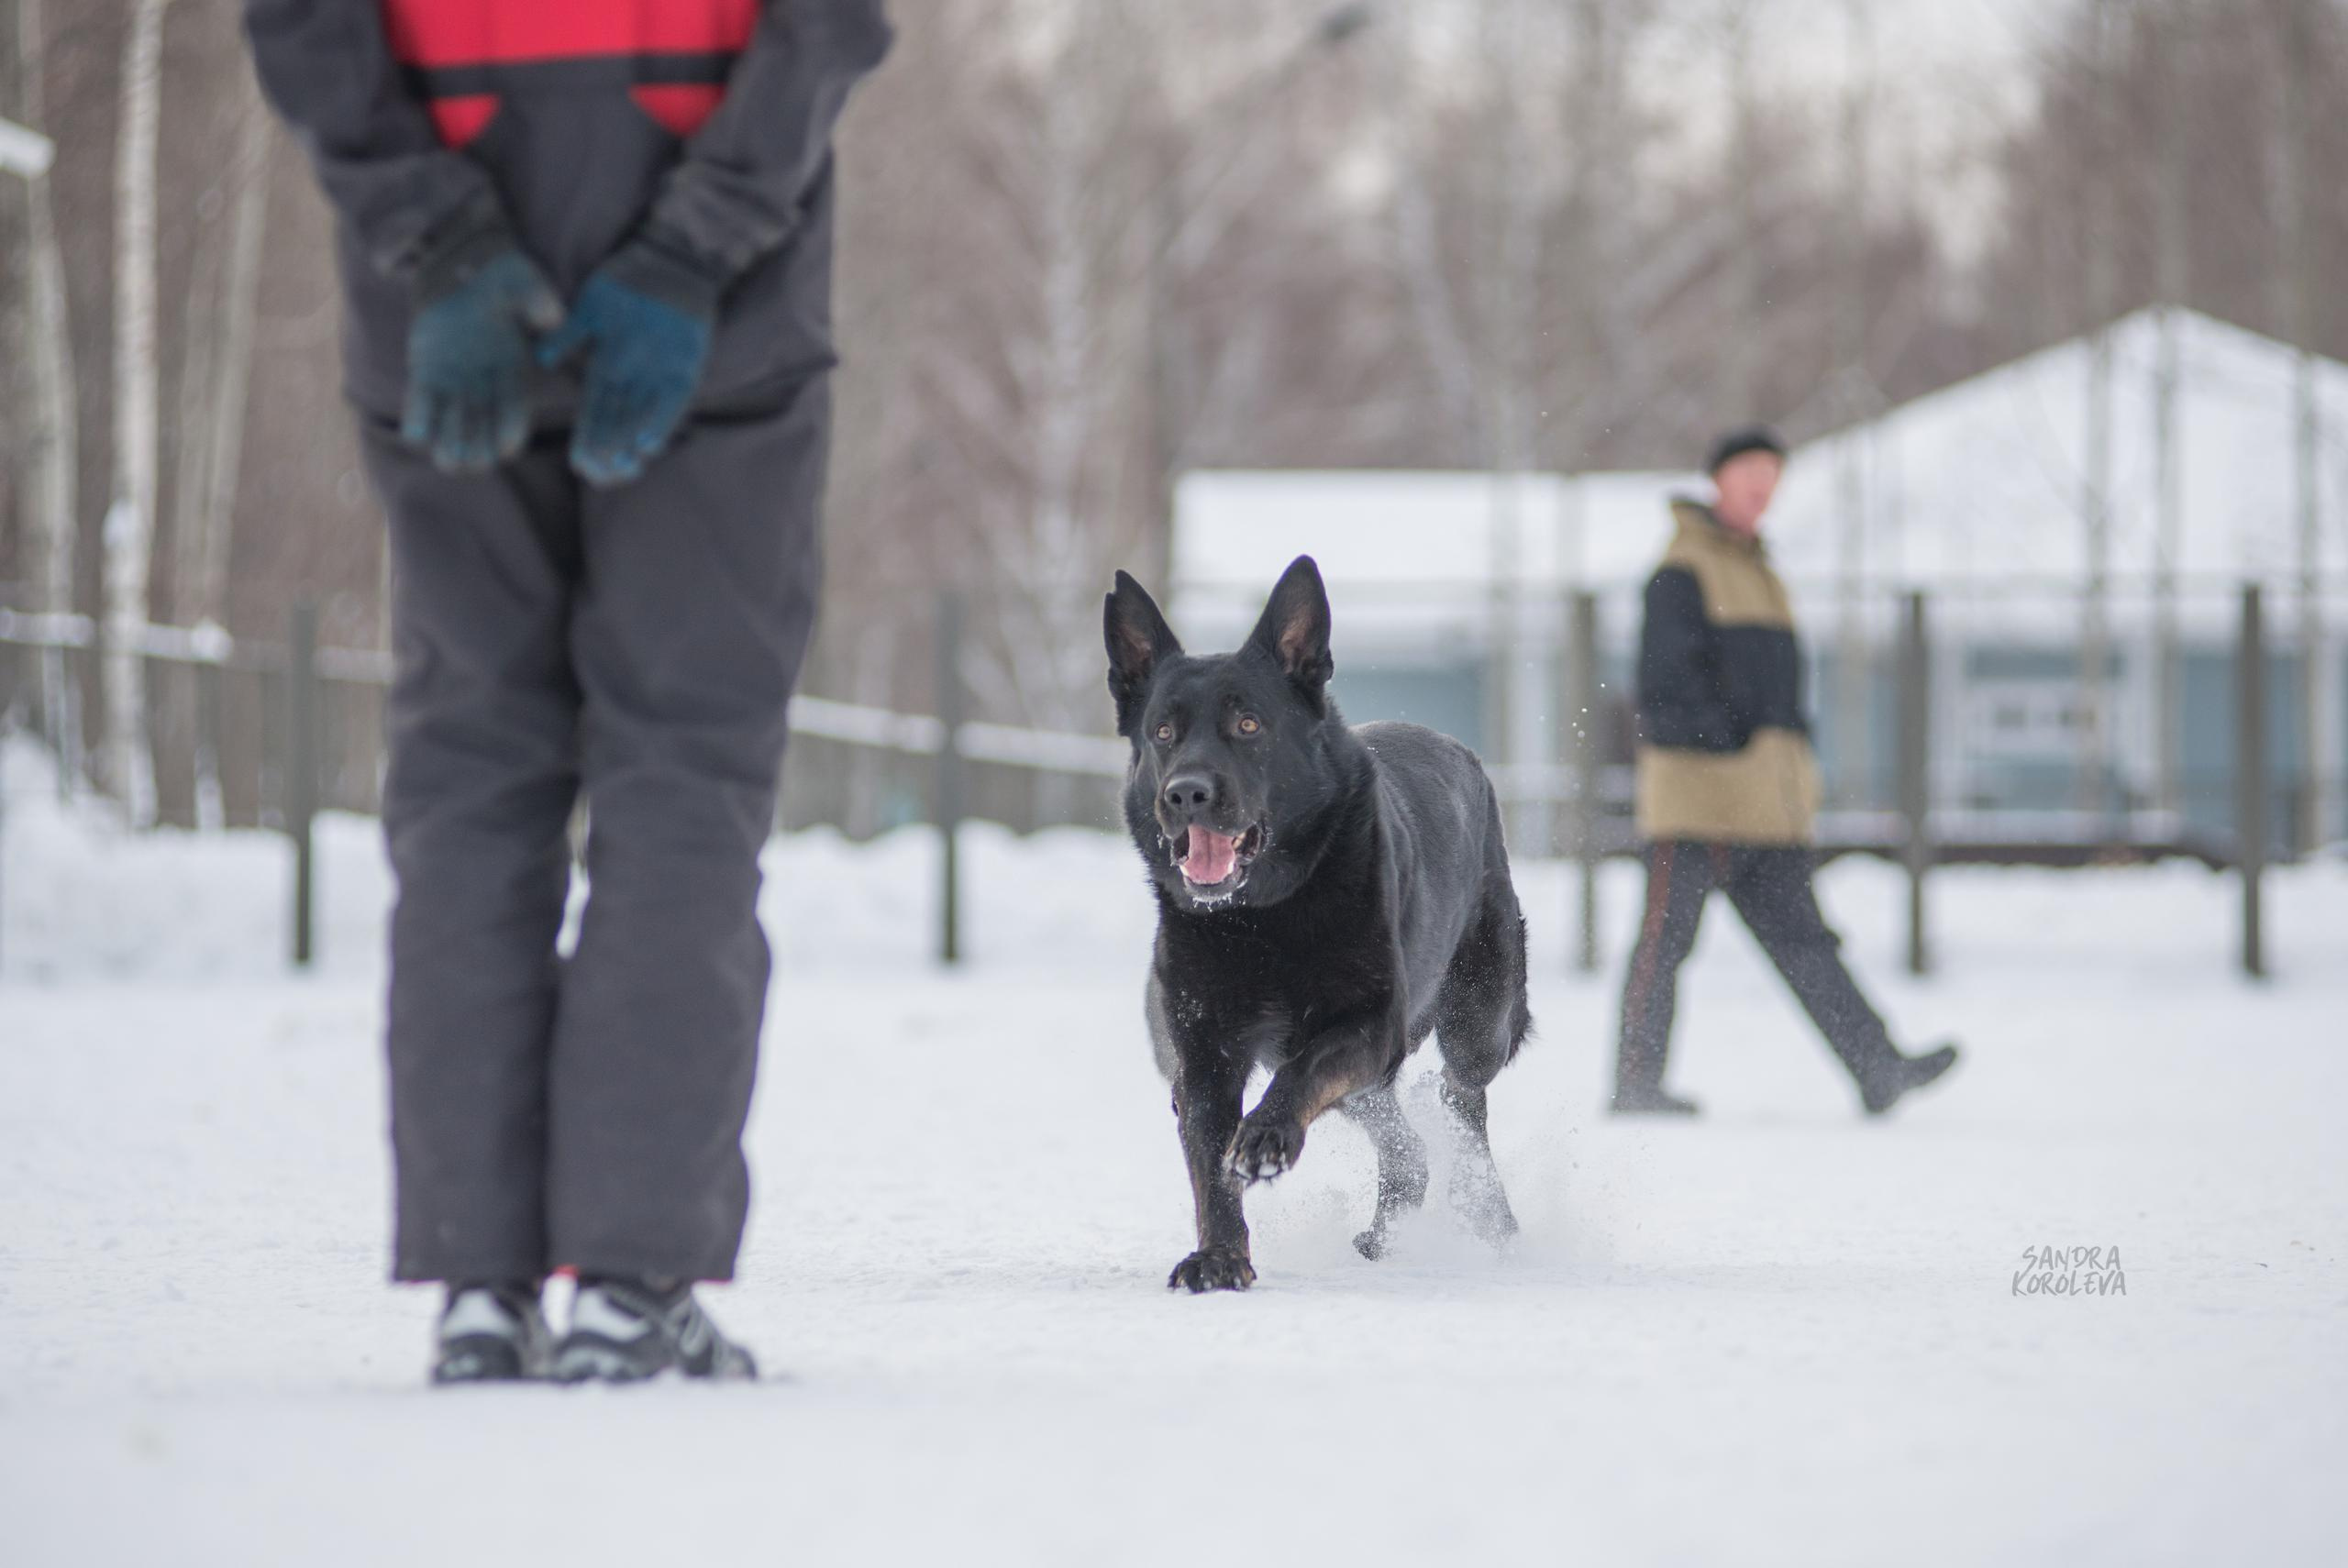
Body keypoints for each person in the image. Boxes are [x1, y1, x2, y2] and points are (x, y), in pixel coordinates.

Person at [247, 0, 893, 1383]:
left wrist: (441, 236)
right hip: (714, 328)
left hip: (451, 320)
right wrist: (691, 243)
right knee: (684, 782)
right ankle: (629, 1284)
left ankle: (482, 1291)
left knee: (473, 780)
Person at [1612, 425, 1958, 1119]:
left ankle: (1878, 1068)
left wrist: (1783, 750)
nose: (1762, 488)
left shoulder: (1759, 570)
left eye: (1773, 476)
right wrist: (1732, 737)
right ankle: (1635, 1086)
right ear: (1719, 480)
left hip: (1765, 805)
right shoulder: (1683, 568)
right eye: (1751, 473)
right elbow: (1663, 688)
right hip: (1698, 801)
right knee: (1664, 945)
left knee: (1807, 942)